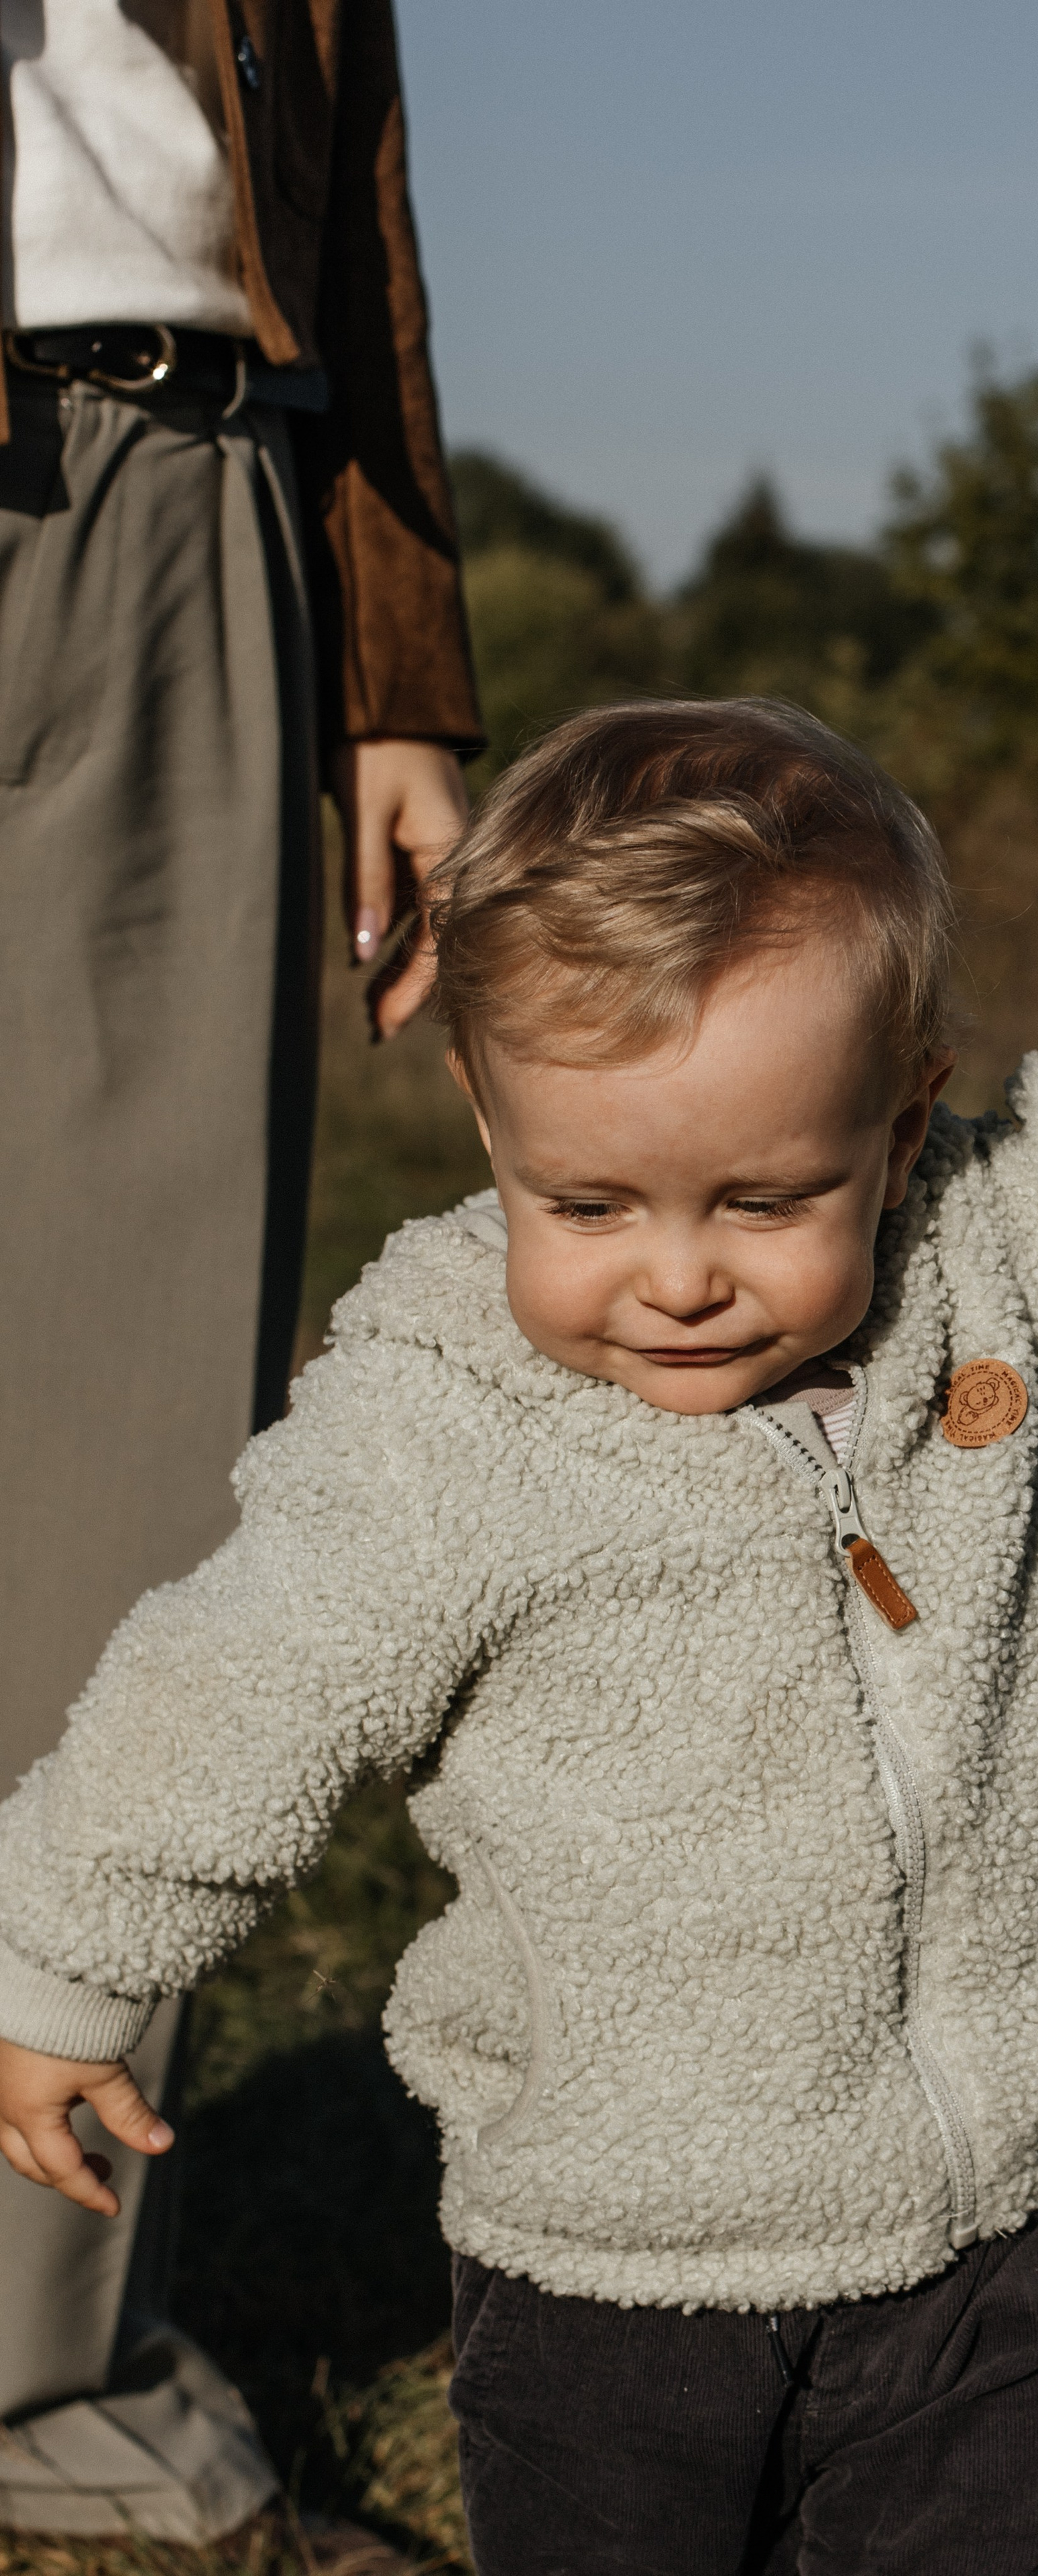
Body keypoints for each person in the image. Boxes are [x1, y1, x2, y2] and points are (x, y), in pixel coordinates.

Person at [0, 634, 1038, 2575]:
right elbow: (242, 1678)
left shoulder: (1027, 1283)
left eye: (764, 1198)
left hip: (1029, 2220)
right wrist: (55, 1957)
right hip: (625, 2268)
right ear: (490, 1127)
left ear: (900, 1131)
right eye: (592, 1205)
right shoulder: (445, 1418)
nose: (679, 1276)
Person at [0, 0, 479, 2541]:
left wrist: (397, 663)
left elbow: (354, 186)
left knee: (120, 1456)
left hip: (193, 487)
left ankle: (34, 2358)